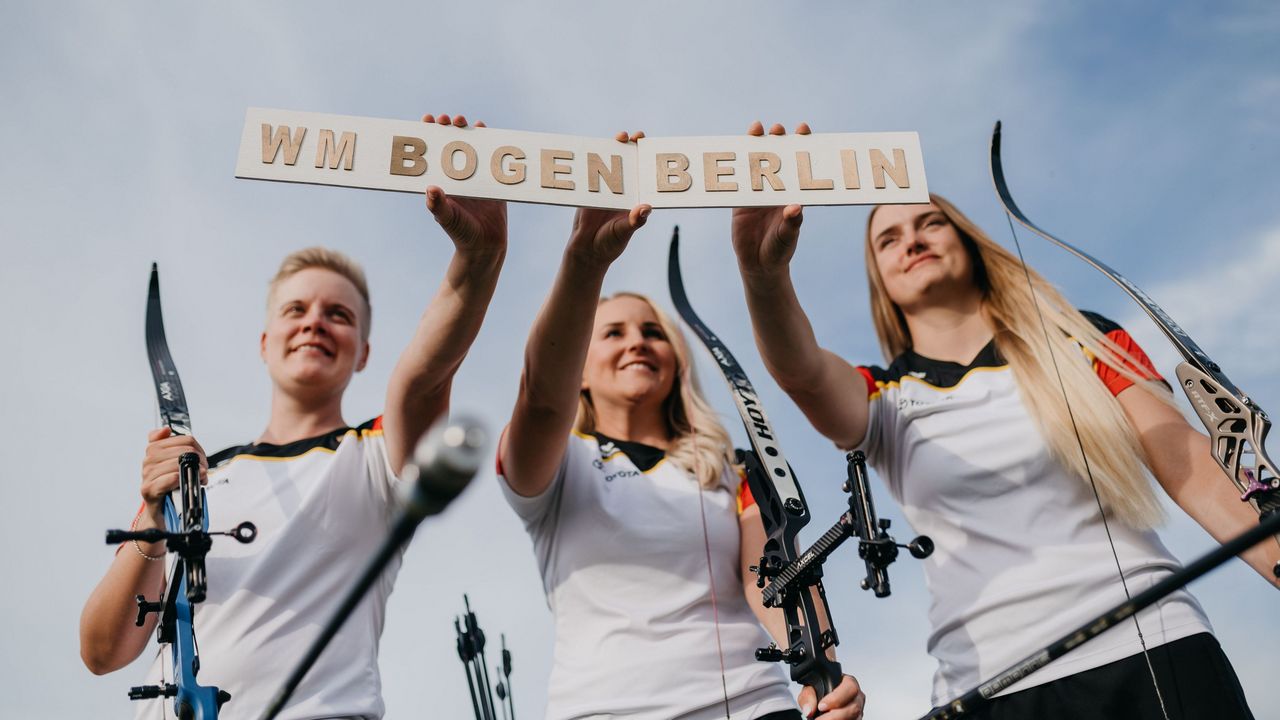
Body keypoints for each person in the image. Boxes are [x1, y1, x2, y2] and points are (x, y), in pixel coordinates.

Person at [729, 122, 1277, 720]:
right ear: (879, 279)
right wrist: (764, 275)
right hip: (987, 686)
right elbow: (803, 374)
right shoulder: (881, 394)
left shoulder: (1080, 339)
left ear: (966, 242)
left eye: (929, 223)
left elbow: (1189, 464)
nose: (911, 240)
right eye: (888, 239)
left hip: (1150, 645)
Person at [79, 113, 507, 719]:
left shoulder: (373, 455)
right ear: (264, 340)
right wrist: (153, 511)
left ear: (363, 353)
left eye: (339, 314)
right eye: (297, 309)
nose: (314, 322)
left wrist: (479, 257)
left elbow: (423, 378)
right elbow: (101, 649)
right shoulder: (196, 475)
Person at [496, 133, 864, 720]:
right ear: (579, 370)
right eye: (612, 333)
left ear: (676, 360)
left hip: (752, 708)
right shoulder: (557, 461)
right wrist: (585, 263)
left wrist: (825, 677)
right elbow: (541, 400)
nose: (637, 342)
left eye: (652, 332)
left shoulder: (734, 468)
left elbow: (771, 578)